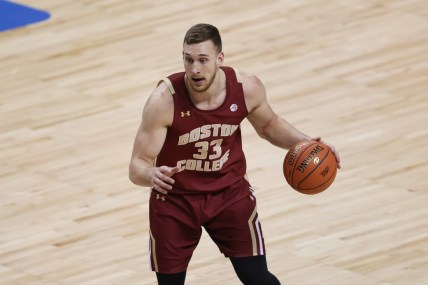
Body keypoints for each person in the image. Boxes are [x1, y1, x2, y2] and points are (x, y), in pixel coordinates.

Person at [129, 23, 341, 285]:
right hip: (176, 200)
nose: (195, 69)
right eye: (189, 59)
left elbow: (269, 125)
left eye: (203, 60)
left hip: (229, 194)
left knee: (258, 279)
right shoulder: (164, 101)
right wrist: (151, 174)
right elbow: (137, 166)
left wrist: (308, 143)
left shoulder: (246, 88)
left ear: (220, 59)